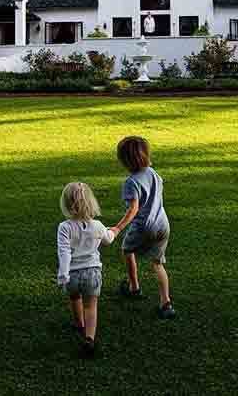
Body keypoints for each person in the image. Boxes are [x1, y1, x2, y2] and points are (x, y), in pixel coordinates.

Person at [110, 136, 175, 319]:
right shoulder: (154, 174)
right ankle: (166, 303)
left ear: (125, 161)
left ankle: (134, 287)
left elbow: (133, 209)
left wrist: (117, 228)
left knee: (127, 250)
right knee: (158, 263)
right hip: (163, 224)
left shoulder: (131, 182)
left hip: (144, 226)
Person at [57, 182, 115, 358]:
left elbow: (64, 252)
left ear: (66, 204)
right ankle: (89, 338)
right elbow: (108, 240)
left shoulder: (64, 227)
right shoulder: (97, 225)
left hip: (72, 274)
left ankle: (78, 323)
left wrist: (63, 274)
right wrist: (112, 231)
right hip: (92, 273)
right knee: (91, 306)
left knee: (74, 296)